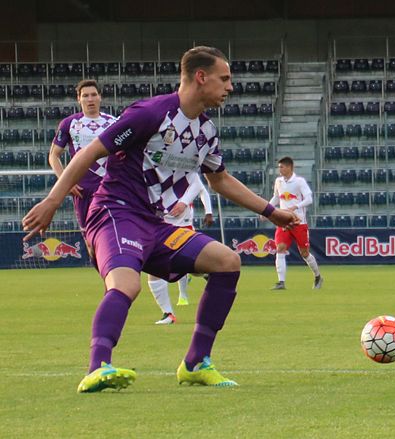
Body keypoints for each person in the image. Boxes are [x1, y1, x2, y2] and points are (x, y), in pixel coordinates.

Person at [22, 46, 299, 393]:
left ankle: (196, 363)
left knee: (227, 261)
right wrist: (52, 200)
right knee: (127, 285)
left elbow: (219, 180)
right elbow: (91, 153)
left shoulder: (206, 131)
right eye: (224, 78)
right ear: (201, 77)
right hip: (115, 212)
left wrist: (271, 212)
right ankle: (97, 367)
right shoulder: (150, 113)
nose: (230, 87)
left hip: (157, 224)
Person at [48, 79, 116, 257]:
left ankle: (113, 279)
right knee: (90, 242)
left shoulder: (114, 123)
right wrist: (66, 182)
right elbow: (53, 156)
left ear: (100, 97)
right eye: (85, 95)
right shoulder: (70, 124)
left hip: (109, 188)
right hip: (82, 190)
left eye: (94, 94)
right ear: (79, 99)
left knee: (112, 236)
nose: (90, 99)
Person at [148, 172, 214, 325]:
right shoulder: (150, 169)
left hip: (183, 225)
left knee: (189, 265)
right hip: (160, 225)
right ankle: (168, 313)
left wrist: (207, 211)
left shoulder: (185, 169)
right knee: (153, 267)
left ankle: (208, 275)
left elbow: (201, 188)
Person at [268, 156, 322, 290]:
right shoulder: (278, 181)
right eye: (279, 167)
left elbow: (309, 199)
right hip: (283, 222)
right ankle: (281, 282)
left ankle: (318, 276)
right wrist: (266, 209)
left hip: (299, 223)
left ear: (290, 167)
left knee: (305, 253)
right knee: (280, 248)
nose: (279, 169)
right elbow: (276, 197)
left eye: (282, 167)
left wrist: (296, 206)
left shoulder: (299, 182)